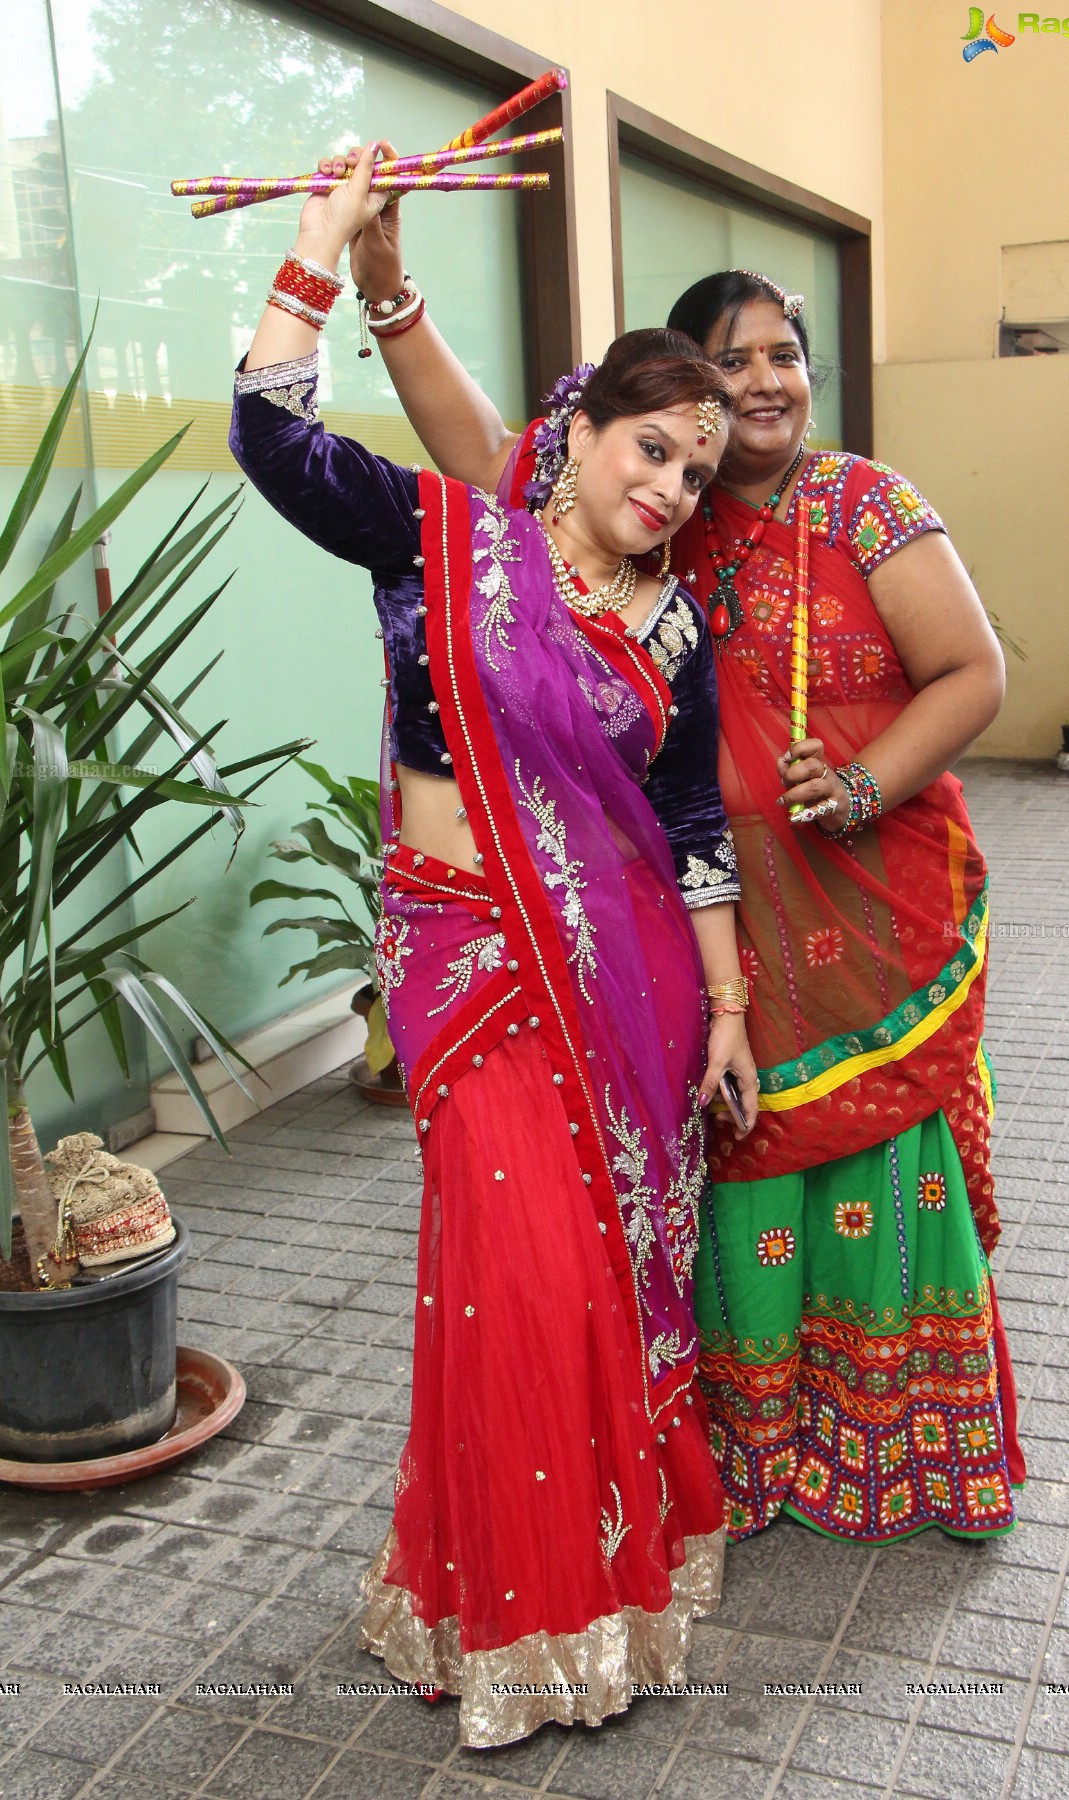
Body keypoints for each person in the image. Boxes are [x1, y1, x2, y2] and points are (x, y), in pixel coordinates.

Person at [334, 158, 1025, 1548]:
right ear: (679, 397)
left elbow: (974, 673)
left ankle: (912, 1446)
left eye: (784, 354)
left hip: (861, 910)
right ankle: (757, 1451)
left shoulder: (869, 506)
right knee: (734, 1161)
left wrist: (867, 783)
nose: (763, 381)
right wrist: (385, 287)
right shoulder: (655, 496)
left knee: (880, 1159)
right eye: (730, 360)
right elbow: (477, 455)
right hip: (701, 919)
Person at [228, 146, 761, 1748]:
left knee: (589, 1281)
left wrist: (729, 1008)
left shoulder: (678, 630)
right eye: (651, 449)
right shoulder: (453, 541)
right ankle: (520, 1612)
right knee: (515, 1279)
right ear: (577, 429)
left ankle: (600, 1601)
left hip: (630, 988)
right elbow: (270, 436)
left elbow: (692, 832)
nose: (668, 489)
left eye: (695, 474)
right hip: (467, 964)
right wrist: (326, 245)